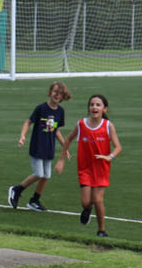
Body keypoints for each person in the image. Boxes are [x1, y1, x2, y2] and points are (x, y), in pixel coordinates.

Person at [59, 93, 122, 238]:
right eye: (92, 104)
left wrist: (109, 156)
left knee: (98, 199)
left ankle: (101, 230)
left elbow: (118, 147)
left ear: (104, 109)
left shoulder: (108, 126)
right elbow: (68, 140)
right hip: (85, 169)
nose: (94, 107)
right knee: (86, 202)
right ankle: (87, 209)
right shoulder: (81, 124)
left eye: (98, 105)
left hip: (101, 169)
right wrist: (62, 159)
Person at [9, 81, 72, 212]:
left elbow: (56, 131)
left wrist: (64, 147)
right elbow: (28, 122)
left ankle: (34, 200)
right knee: (39, 173)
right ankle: (16, 190)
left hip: (49, 148)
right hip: (37, 146)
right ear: (50, 92)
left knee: (46, 176)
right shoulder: (41, 108)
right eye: (55, 92)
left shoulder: (60, 112)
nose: (57, 95)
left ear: (62, 96)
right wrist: (22, 136)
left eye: (60, 93)